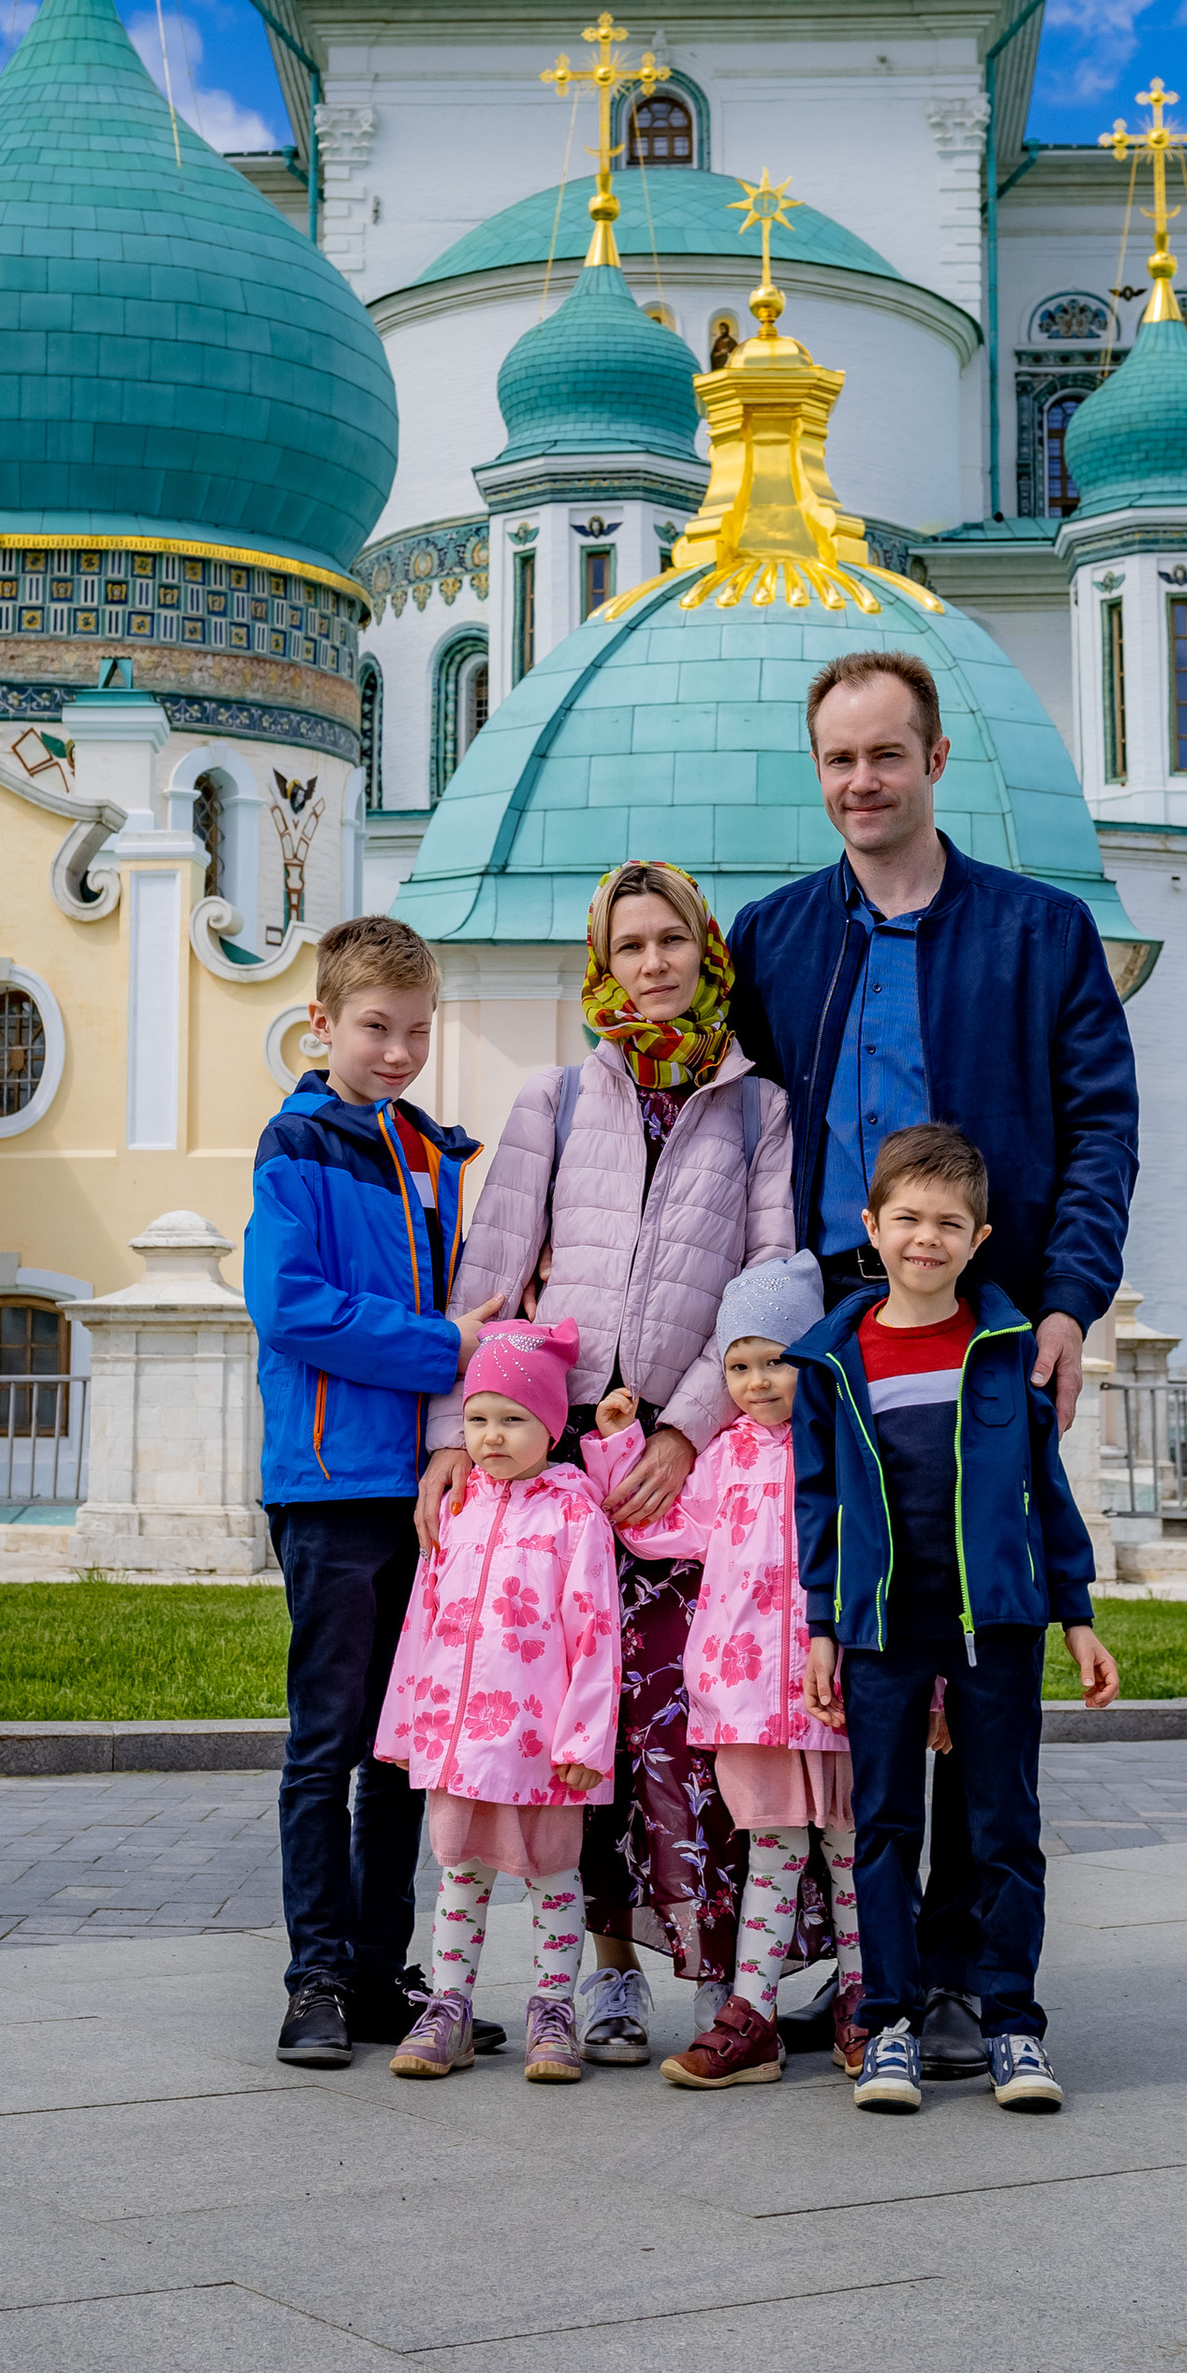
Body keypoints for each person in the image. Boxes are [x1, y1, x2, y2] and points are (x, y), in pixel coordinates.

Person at [730, 647, 1136, 2082]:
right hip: (837, 1341)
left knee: (977, 1643)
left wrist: (1069, 1302)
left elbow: (1100, 1127)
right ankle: (866, 1968)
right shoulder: (775, 936)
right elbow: (728, 1124)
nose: (862, 782)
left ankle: (963, 1974)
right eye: (838, 760)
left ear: (936, 760)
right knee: (858, 1652)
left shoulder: (1038, 932)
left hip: (983, 1327)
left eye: (885, 755)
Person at [420, 860, 796, 2064]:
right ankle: (606, 1973)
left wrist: (687, 1429)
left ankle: (717, 1975)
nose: (650, 964)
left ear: (705, 950)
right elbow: (488, 1279)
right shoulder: (556, 1100)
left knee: (682, 1720)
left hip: (690, 1460)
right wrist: (454, 1439)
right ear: (601, 962)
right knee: (569, 1719)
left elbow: (770, 1282)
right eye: (627, 946)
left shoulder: (756, 1107)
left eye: (669, 940)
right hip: (562, 1454)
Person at [794, 1120, 1119, 2117]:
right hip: (882, 1629)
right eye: (906, 1219)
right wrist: (821, 1625)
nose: (924, 1239)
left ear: (978, 1239)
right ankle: (887, 2022)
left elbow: (1046, 1491)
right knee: (884, 1829)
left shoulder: (1008, 1348)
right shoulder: (834, 1359)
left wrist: (1076, 1615)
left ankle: (1011, 2023)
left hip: (1000, 1625)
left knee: (1003, 1829)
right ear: (871, 1226)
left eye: (946, 1224)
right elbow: (818, 1503)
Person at [245, 914, 510, 2070]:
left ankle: (377, 1972)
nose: (397, 1051)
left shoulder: (432, 1153)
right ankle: (314, 1976)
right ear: (322, 1022)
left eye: (416, 1030)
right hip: (331, 1487)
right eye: (374, 1028)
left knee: (402, 1749)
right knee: (328, 1744)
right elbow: (289, 1307)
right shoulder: (294, 1143)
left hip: (427, 1489)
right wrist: (442, 1347)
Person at [584, 1251, 866, 2091]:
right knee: (772, 1853)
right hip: (743, 1700)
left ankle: (866, 2001)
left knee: (851, 1853)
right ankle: (752, 2016)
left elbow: (891, 1563)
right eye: (738, 1366)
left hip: (840, 1693)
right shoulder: (723, 1457)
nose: (756, 1382)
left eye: (775, 1360)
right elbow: (654, 1528)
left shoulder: (848, 1448)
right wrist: (618, 1446)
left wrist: (925, 1687)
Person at [377, 1321, 624, 2084]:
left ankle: (554, 2010)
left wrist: (585, 1740)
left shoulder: (575, 1514)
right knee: (459, 1874)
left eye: (513, 1419)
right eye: (478, 1418)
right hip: (458, 1742)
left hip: (542, 1744)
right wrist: (405, 1727)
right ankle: (448, 2007)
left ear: (550, 1425)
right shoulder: (456, 1509)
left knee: (553, 1876)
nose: (491, 1436)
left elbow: (597, 1630)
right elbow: (423, 1620)